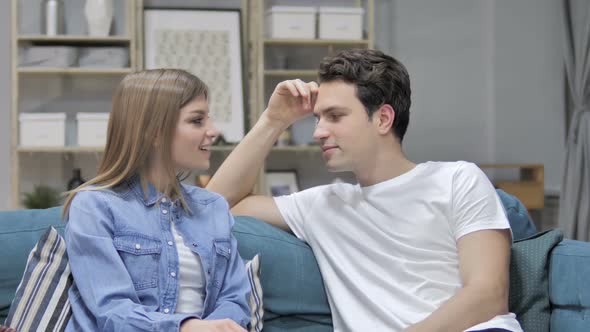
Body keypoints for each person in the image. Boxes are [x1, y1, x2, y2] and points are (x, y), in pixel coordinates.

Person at [207, 49, 523, 332]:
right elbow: (214, 207)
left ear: (383, 118)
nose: (318, 132)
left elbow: (488, 293)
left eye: (335, 116)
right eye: (318, 118)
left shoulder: (457, 179)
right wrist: (273, 120)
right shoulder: (323, 204)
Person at [62, 69, 250, 332]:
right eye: (197, 121)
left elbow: (235, 299)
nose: (213, 131)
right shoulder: (95, 206)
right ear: (154, 132)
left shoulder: (213, 207)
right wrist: (186, 328)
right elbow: (111, 310)